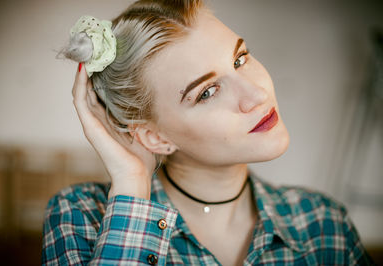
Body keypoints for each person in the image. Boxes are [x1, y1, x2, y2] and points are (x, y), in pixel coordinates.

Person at [42, 0, 374, 265]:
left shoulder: (324, 224)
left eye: (240, 59)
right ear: (155, 137)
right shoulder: (79, 215)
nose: (257, 95)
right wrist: (132, 182)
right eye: (208, 92)